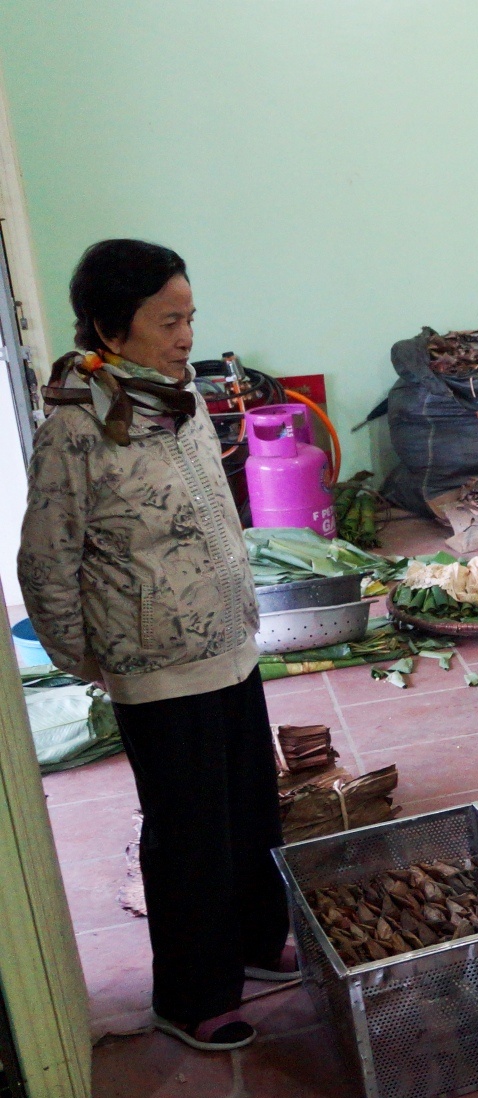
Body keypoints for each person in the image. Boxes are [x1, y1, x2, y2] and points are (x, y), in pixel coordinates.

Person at [19, 240, 295, 1051]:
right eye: (168, 322)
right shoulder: (76, 427)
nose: (185, 337)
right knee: (189, 835)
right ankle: (192, 993)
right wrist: (83, 656)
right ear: (112, 327)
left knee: (250, 812)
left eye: (189, 318)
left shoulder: (182, 400)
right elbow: (45, 559)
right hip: (156, 666)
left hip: (229, 646)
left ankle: (256, 942)